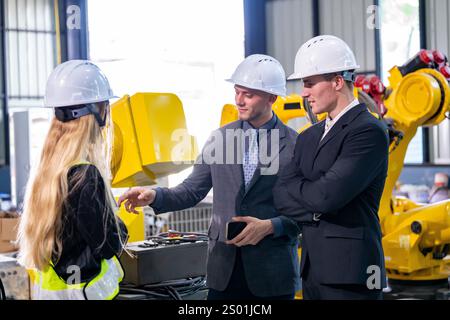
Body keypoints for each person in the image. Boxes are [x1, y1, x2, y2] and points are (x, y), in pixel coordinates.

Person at [119, 54, 301, 300]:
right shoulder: (219, 139)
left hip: (273, 274)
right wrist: (154, 195)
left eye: (248, 94)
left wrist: (272, 226)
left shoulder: (295, 145)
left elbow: (307, 210)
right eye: (237, 92)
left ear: (272, 97)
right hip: (224, 271)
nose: (239, 100)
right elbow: (192, 190)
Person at [274, 35, 389, 300]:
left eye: (310, 83)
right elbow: (280, 194)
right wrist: (314, 206)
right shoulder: (307, 136)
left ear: (338, 81)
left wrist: (310, 198)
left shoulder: (369, 131)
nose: (303, 92)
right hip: (312, 271)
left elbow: (326, 197)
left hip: (353, 274)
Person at [17, 60, 128, 300]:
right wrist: (117, 222)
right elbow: (109, 245)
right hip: (84, 292)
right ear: (97, 113)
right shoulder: (84, 176)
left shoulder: (47, 171)